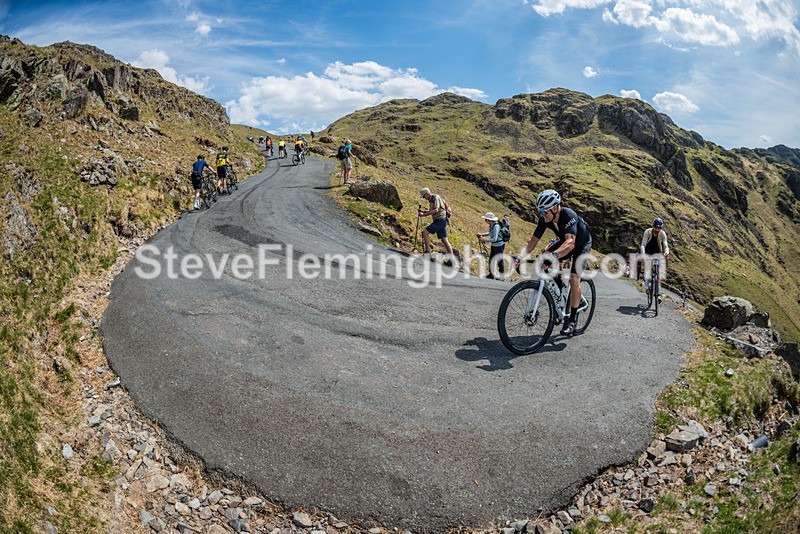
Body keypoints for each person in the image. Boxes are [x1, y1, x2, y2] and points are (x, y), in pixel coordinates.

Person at [516, 189, 592, 336]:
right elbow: (532, 242)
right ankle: (561, 294)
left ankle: (572, 319)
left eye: (544, 212)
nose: (542, 215)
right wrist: (520, 257)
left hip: (581, 244)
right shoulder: (545, 219)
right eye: (540, 212)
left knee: (574, 278)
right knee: (545, 258)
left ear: (555, 208)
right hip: (565, 241)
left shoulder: (568, 215)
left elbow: (570, 243)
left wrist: (554, 255)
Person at [418, 187, 454, 260]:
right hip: (441, 220)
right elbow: (431, 210)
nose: (424, 198)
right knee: (444, 239)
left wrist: (423, 215)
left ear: (427, 194)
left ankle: (428, 253)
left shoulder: (435, 198)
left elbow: (435, 210)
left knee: (425, 232)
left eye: (424, 196)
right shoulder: (431, 200)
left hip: (440, 220)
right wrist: (423, 212)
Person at [640, 217, 670, 302]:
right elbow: (643, 244)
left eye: (659, 227)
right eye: (656, 227)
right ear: (653, 226)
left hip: (657, 251)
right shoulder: (647, 232)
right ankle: (646, 280)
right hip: (648, 250)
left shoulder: (662, 234)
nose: (657, 229)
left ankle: (658, 294)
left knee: (659, 273)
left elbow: (666, 245)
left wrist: (666, 252)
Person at [476, 212, 505, 279]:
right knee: (491, 259)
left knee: (499, 260)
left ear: (489, 220)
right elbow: (490, 233)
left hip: (499, 246)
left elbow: (494, 239)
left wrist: (484, 240)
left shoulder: (496, 226)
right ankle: (491, 275)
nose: (485, 221)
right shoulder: (492, 225)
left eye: (486, 220)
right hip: (494, 245)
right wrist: (482, 234)